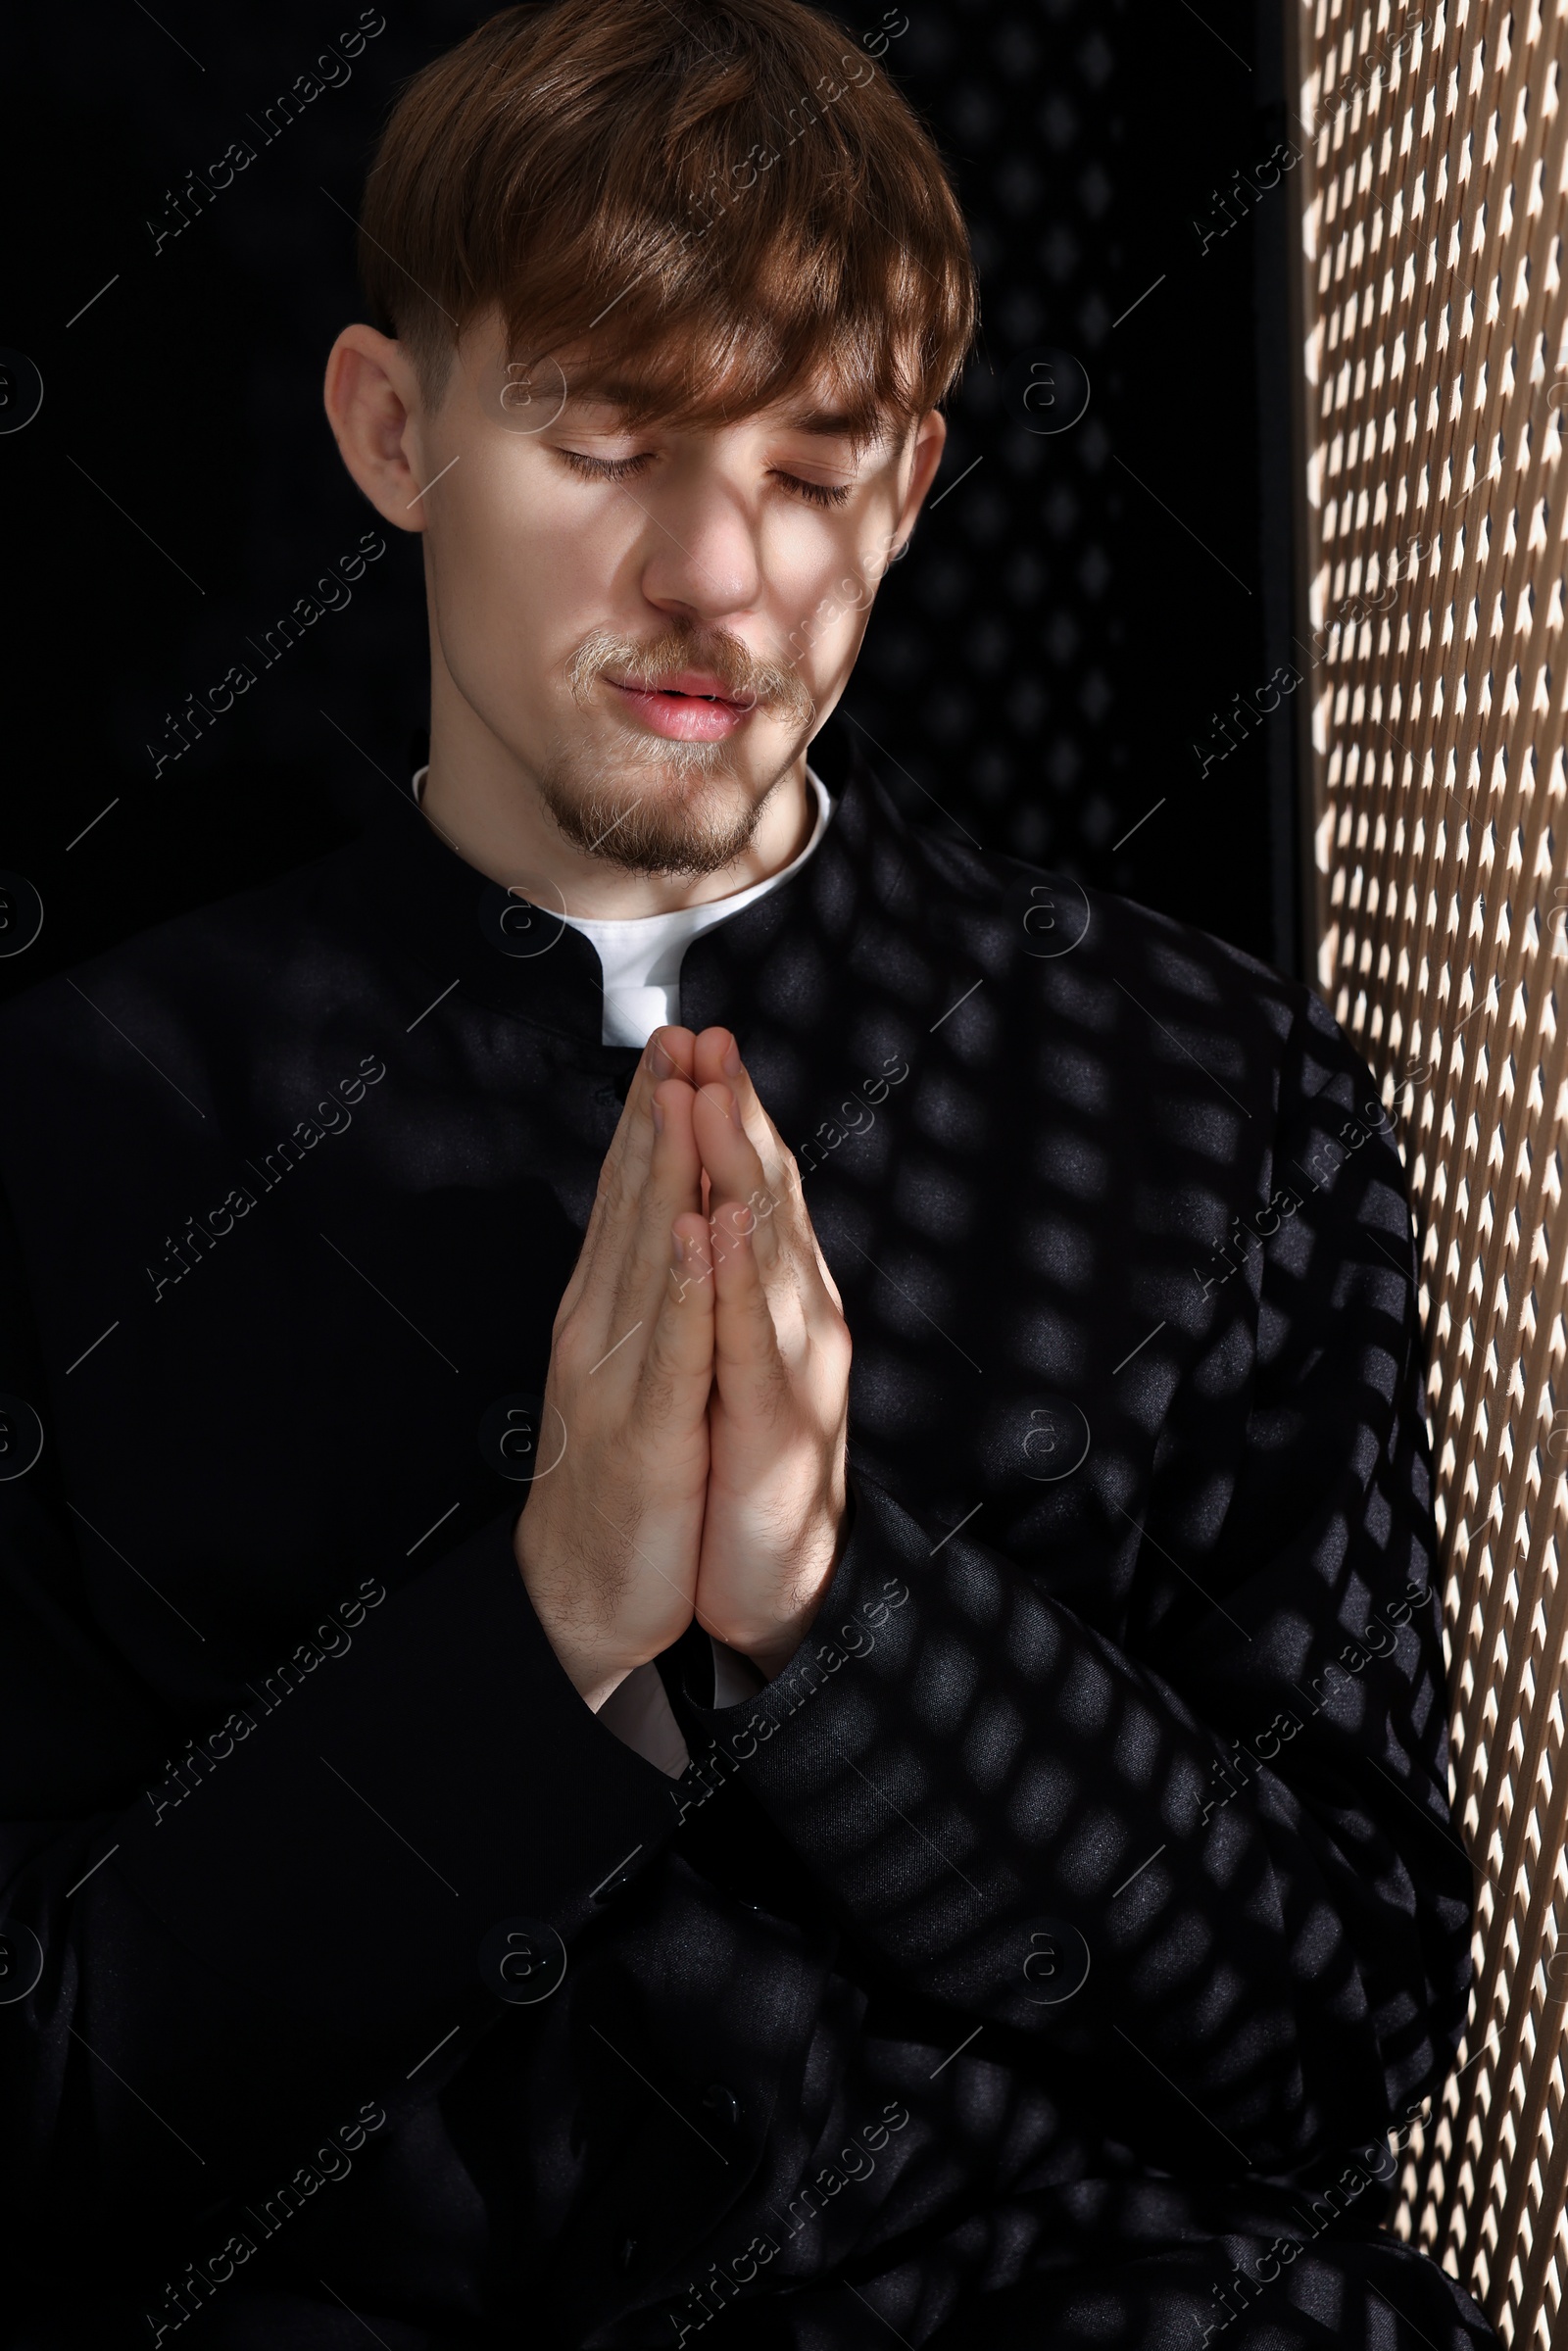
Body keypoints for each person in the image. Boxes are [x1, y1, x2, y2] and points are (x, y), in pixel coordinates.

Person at [0, 2, 1499, 2345]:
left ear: (908, 493)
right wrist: (541, 1635)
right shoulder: (70, 1127)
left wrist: (834, 1610)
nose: (716, 575)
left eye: (808, 475)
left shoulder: (1215, 1101)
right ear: (396, 432)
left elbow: (1331, 2036)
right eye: (604, 439)